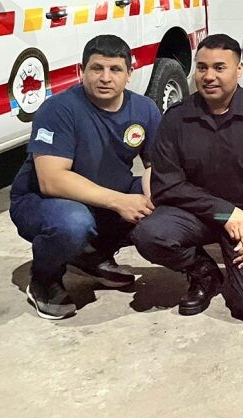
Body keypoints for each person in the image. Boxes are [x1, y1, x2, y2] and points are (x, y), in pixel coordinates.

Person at [131, 34, 243, 319]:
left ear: (239, 70)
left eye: (219, 67)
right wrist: (223, 211)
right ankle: (203, 273)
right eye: (202, 67)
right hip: (197, 215)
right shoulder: (176, 119)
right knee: (150, 234)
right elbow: (166, 186)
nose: (209, 76)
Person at [9, 35, 160, 320]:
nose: (105, 78)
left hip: (104, 195)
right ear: (81, 71)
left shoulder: (145, 109)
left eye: (115, 69)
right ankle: (44, 280)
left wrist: (154, 201)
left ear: (129, 73)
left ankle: (91, 255)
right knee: (74, 223)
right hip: (43, 201)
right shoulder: (58, 109)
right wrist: (120, 202)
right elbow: (51, 180)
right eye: (97, 68)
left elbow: (155, 165)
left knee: (167, 204)